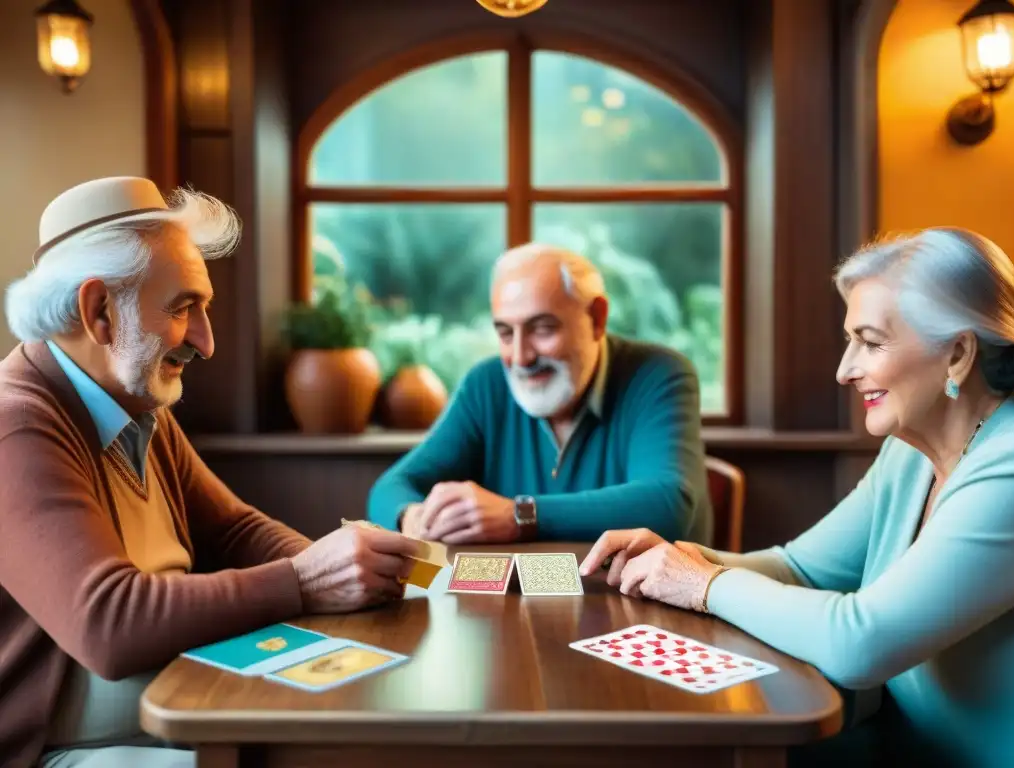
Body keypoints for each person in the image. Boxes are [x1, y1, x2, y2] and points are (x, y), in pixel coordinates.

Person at [0, 177, 421, 768]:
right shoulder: (15, 424)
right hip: (61, 752)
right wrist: (305, 582)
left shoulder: (133, 396)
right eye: (182, 309)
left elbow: (236, 531)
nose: (206, 340)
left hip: (187, 708)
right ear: (99, 311)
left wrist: (348, 579)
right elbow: (108, 623)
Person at [580, 227, 1014, 767]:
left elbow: (861, 644)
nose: (845, 370)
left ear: (957, 354)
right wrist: (676, 560)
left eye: (872, 341)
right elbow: (799, 569)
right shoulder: (911, 452)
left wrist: (704, 583)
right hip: (891, 743)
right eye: (849, 341)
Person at [367, 242, 712, 546]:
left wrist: (519, 515)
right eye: (505, 333)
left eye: (542, 329)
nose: (520, 357)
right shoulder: (485, 384)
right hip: (515, 607)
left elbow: (668, 505)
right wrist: (411, 518)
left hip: (632, 602)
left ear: (597, 319)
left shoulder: (659, 374)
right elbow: (392, 487)